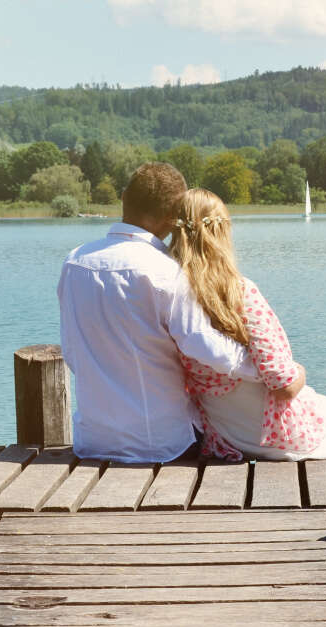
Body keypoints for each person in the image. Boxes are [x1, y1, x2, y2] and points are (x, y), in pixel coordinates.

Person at [56, 163, 287, 462]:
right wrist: (273, 374)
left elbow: (72, 353)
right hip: (164, 445)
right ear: (172, 217)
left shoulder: (74, 262)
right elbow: (207, 348)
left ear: (124, 198)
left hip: (92, 441)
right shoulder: (168, 272)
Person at [169, 187, 326, 461]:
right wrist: (301, 372)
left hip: (226, 433)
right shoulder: (240, 294)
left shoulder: (169, 297)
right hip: (270, 434)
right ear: (221, 233)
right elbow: (283, 385)